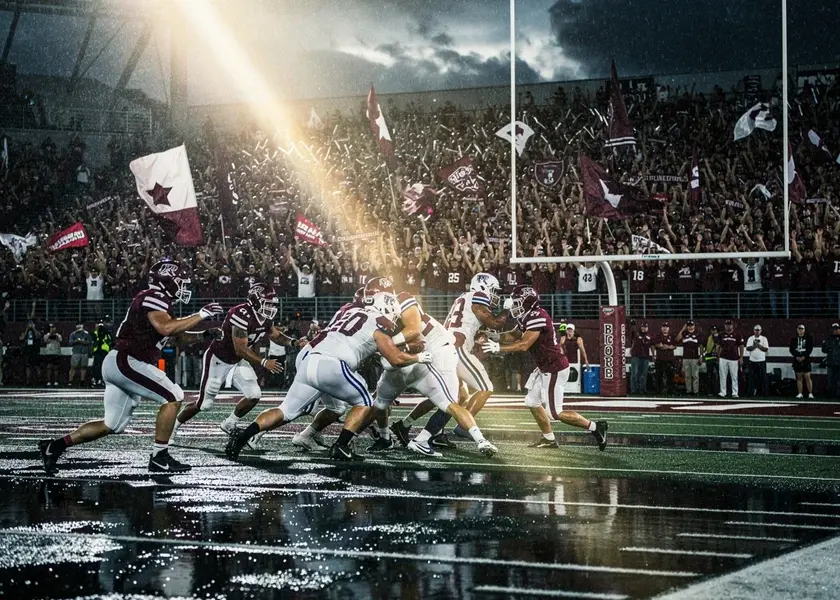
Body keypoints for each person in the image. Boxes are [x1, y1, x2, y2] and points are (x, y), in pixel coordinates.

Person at [38, 259, 225, 474]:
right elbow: (165, 329)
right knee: (173, 395)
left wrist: (204, 334)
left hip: (121, 363)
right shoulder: (154, 297)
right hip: (127, 360)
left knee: (112, 425)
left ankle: (55, 446)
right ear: (167, 282)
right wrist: (201, 315)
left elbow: (176, 338)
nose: (183, 287)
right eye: (180, 282)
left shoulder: (158, 301)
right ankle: (159, 456)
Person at [224, 292, 433, 462]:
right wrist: (419, 357)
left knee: (285, 410)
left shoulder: (351, 312)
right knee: (367, 402)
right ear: (388, 309)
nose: (394, 318)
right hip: (333, 364)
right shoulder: (379, 323)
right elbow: (394, 359)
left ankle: (241, 438)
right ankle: (341, 446)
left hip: (310, 360)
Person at [390, 273, 509, 447]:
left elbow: (470, 325)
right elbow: (496, 323)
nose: (494, 294)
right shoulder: (478, 296)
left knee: (451, 396)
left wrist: (482, 335)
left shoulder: (463, 299)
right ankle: (460, 428)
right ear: (483, 287)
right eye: (492, 290)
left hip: (446, 346)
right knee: (485, 388)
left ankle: (405, 425)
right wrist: (507, 309)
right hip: (456, 348)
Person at [482, 285, 608, 450]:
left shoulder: (537, 316)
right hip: (545, 367)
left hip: (554, 368)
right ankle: (548, 439)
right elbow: (515, 335)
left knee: (555, 413)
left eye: (517, 302)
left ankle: (596, 427)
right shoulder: (527, 316)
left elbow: (524, 344)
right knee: (532, 401)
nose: (514, 305)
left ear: (528, 302)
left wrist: (499, 348)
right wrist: (496, 338)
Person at [171, 283, 289, 440]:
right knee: (204, 404)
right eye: (267, 303)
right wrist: (263, 362)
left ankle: (230, 423)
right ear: (255, 300)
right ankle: (172, 427)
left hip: (238, 361)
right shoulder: (240, 314)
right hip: (219, 359)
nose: (271, 307)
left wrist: (294, 342)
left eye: (272, 304)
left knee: (254, 395)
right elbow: (240, 349)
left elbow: (276, 335)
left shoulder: (265, 318)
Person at [718, 320, 744, 398]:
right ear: (725, 325)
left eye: (730, 325)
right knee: (722, 375)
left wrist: (741, 357)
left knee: (734, 376)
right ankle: (723, 392)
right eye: (727, 325)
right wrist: (718, 357)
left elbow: (741, 346)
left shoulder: (738, 334)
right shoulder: (721, 334)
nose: (728, 326)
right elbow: (718, 346)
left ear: (733, 325)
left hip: (734, 358)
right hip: (723, 358)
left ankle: (735, 393)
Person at [789, 324, 814, 399]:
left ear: (804, 330)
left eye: (802, 329)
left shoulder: (808, 338)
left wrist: (804, 356)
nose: (800, 330)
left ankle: (810, 393)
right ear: (797, 330)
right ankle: (800, 393)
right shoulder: (793, 339)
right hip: (797, 359)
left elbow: (810, 349)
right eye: (799, 329)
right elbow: (791, 349)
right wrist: (796, 356)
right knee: (799, 377)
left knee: (807, 376)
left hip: (806, 359)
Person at [677, 321, 702, 396]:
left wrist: (701, 356)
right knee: (687, 376)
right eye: (688, 325)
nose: (690, 327)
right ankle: (688, 391)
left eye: (691, 325)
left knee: (695, 375)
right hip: (686, 357)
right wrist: (682, 329)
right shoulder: (684, 333)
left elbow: (701, 346)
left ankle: (695, 391)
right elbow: (677, 339)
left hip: (695, 357)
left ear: (694, 326)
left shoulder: (698, 334)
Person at [652, 323, 677, 396]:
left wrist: (667, 347)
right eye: (663, 327)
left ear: (668, 328)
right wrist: (660, 346)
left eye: (666, 327)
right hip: (660, 359)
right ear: (661, 328)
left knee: (670, 376)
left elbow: (675, 346)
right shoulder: (658, 336)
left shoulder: (672, 337)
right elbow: (654, 344)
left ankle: (670, 391)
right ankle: (659, 391)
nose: (665, 328)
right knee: (659, 376)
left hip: (669, 360)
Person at [745, 324, 769, 397]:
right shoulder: (750, 338)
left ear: (761, 331)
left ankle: (764, 393)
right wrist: (755, 346)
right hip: (752, 361)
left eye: (758, 330)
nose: (757, 332)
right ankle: (750, 393)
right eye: (756, 330)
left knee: (763, 378)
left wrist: (758, 345)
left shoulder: (764, 339)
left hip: (762, 361)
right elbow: (748, 348)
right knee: (751, 378)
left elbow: (766, 349)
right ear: (754, 331)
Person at [629, 321, 652, 395]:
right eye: (643, 327)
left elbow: (652, 345)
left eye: (645, 327)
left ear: (647, 328)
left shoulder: (649, 335)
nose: (644, 328)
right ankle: (633, 390)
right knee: (634, 373)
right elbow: (632, 337)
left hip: (645, 357)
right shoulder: (636, 334)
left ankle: (642, 389)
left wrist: (654, 354)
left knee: (643, 374)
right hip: (636, 356)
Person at [68, 323, 92, 387]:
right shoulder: (73, 334)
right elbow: (70, 343)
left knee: (83, 367)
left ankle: (82, 381)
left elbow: (89, 342)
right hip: (76, 352)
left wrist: (83, 342)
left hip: (84, 352)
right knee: (73, 367)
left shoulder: (86, 334)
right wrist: (76, 341)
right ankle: (70, 381)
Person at [90, 322, 113, 386]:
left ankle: (102, 380)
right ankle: (95, 379)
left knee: (102, 367)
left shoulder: (107, 333)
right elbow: (92, 342)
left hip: (104, 352)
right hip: (97, 352)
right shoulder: (94, 333)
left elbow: (111, 342)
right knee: (96, 366)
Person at [20, 320, 42, 386]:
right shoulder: (25, 332)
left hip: (35, 352)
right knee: (28, 367)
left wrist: (33, 328)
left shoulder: (36, 332)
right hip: (28, 352)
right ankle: (28, 381)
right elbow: (22, 338)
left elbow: (38, 336)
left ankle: (39, 380)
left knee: (37, 367)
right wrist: (27, 329)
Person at [822, 323, 840, 400]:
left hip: (838, 363)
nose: (835, 331)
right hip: (831, 363)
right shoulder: (828, 339)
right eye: (834, 329)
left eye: (837, 329)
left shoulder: (829, 339)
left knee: (838, 380)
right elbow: (824, 350)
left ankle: (838, 394)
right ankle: (830, 394)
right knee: (830, 380)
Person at [703, 326, 720, 395]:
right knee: (709, 376)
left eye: (715, 330)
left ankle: (718, 391)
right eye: (713, 330)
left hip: (716, 358)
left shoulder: (719, 337)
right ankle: (710, 391)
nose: (714, 331)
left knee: (719, 375)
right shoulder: (709, 337)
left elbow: (719, 346)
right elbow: (705, 347)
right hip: (709, 358)